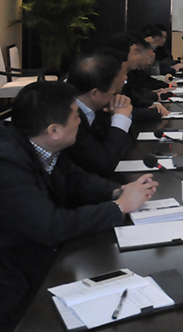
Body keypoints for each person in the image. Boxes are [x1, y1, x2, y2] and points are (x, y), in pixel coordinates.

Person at [0, 82, 157, 331]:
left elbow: (76, 179)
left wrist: (118, 191)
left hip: (42, 258)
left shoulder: (38, 142)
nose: (80, 122)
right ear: (54, 130)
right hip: (15, 280)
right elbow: (51, 226)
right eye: (75, 116)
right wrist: (118, 207)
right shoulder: (7, 163)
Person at [65, 51, 136, 176]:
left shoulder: (98, 107)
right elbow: (104, 164)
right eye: (113, 90)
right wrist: (121, 118)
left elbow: (127, 145)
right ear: (95, 94)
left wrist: (122, 116)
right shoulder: (69, 118)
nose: (117, 94)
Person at [106, 33, 169, 120]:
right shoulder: (111, 77)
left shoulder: (127, 73)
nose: (139, 57)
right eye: (136, 53)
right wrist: (156, 111)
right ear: (122, 54)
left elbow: (136, 99)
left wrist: (154, 104)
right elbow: (127, 111)